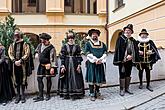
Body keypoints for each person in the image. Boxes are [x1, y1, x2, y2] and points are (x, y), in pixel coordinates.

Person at [113, 24, 140, 96]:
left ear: (131, 32)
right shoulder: (120, 38)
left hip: (130, 60)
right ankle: (122, 89)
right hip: (123, 61)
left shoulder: (133, 40)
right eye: (126, 30)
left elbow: (136, 49)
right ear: (124, 31)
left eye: (129, 31)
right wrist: (125, 57)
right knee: (122, 74)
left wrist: (132, 56)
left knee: (128, 74)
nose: (128, 32)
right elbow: (119, 49)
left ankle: (127, 88)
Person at [58, 32, 84, 100]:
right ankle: (67, 94)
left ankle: (76, 94)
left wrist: (79, 65)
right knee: (67, 77)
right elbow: (62, 56)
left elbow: (79, 56)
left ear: (74, 38)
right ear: (67, 39)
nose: (71, 39)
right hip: (66, 63)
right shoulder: (64, 46)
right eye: (69, 38)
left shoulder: (77, 46)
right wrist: (62, 65)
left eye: (72, 38)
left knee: (76, 78)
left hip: (75, 63)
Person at [33, 33, 58, 102]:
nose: (41, 40)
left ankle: (48, 94)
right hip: (41, 65)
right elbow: (36, 50)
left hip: (48, 66)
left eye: (42, 39)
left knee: (48, 79)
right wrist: (36, 53)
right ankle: (40, 95)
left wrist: (52, 67)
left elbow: (53, 58)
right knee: (39, 79)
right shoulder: (40, 45)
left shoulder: (51, 48)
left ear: (45, 39)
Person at [8, 30, 31, 103]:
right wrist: (14, 61)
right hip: (15, 65)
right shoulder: (12, 44)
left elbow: (27, 53)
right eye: (14, 35)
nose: (15, 36)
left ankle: (23, 94)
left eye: (16, 35)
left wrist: (21, 60)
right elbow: (10, 53)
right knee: (16, 80)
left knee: (23, 79)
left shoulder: (25, 44)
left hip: (22, 64)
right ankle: (18, 95)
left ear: (19, 35)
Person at [85, 29, 107, 101]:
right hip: (92, 64)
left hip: (100, 64)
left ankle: (97, 92)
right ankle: (91, 93)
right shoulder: (88, 44)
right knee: (92, 78)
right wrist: (95, 60)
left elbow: (105, 52)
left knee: (98, 78)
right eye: (93, 34)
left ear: (98, 35)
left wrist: (101, 59)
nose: (94, 35)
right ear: (91, 36)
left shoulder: (102, 44)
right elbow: (87, 53)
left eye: (96, 34)